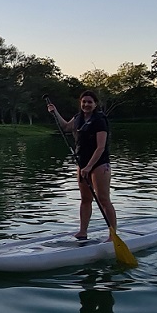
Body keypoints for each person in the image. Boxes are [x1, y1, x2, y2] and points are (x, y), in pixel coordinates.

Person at [46, 90, 115, 241]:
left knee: (103, 199)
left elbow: (101, 147)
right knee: (85, 199)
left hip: (99, 164)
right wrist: (55, 112)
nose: (86, 104)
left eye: (90, 102)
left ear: (95, 104)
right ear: (80, 103)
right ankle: (83, 231)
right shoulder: (78, 118)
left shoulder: (100, 120)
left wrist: (89, 167)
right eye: (84, 102)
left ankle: (113, 235)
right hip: (82, 163)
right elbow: (65, 127)